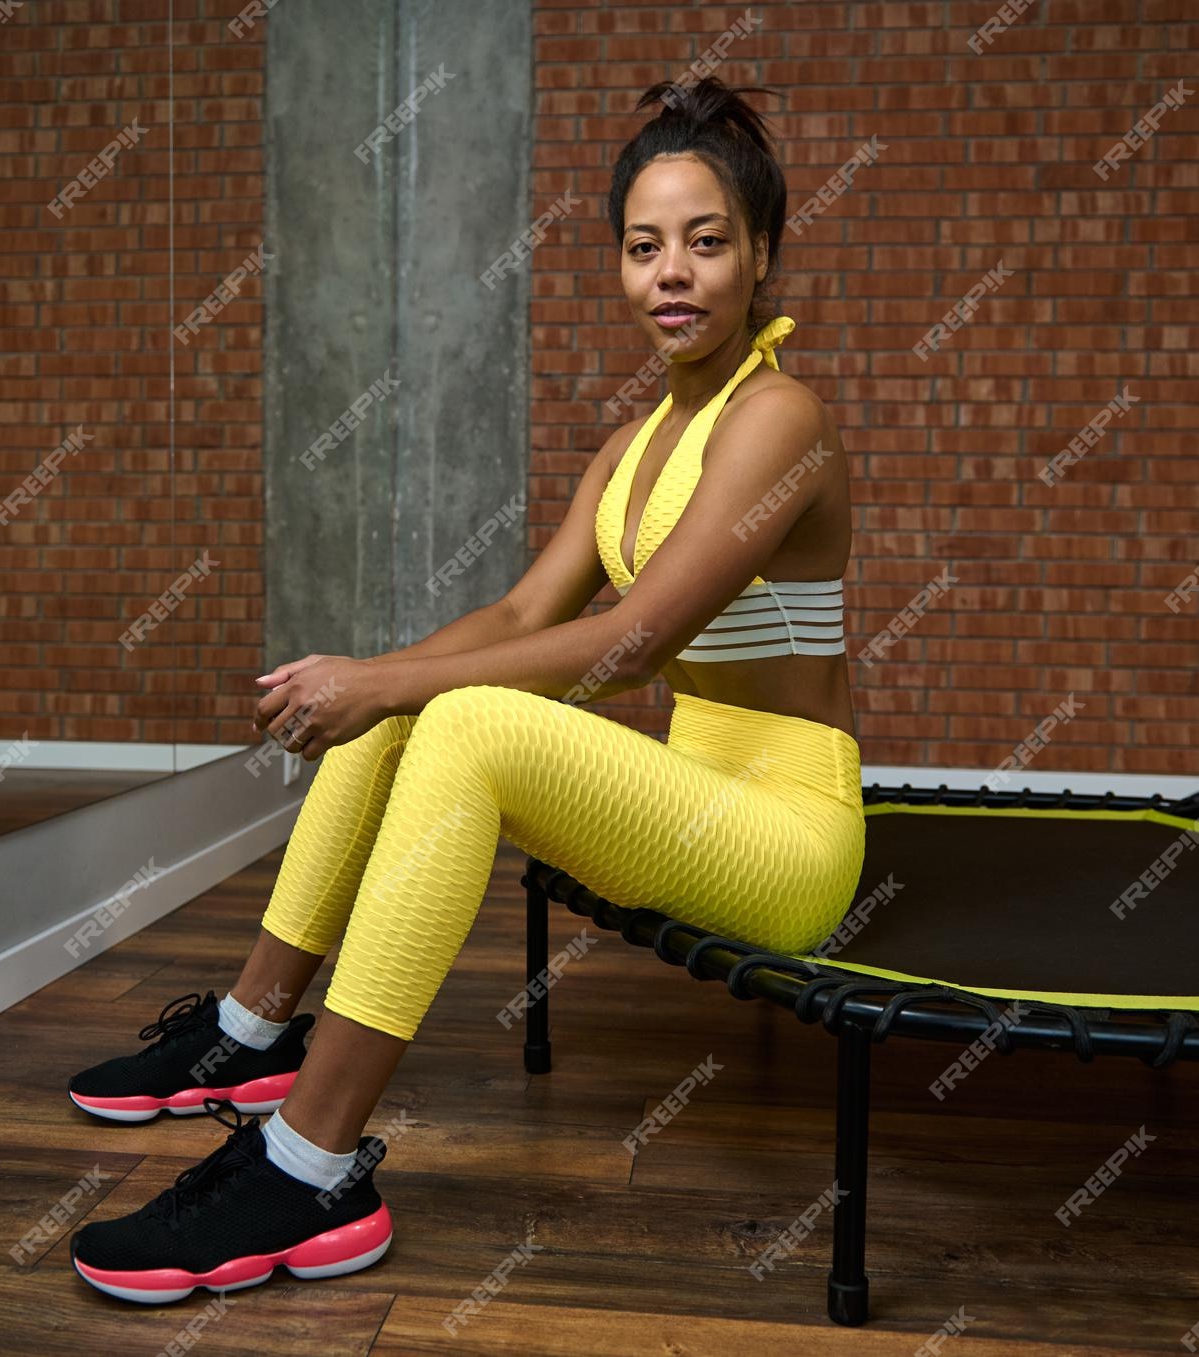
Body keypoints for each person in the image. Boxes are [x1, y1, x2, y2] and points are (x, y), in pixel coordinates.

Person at [64, 73, 864, 1305]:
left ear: (761, 253)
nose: (672, 274)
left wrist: (384, 684)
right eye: (643, 246)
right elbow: (516, 616)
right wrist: (365, 683)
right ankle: (252, 1032)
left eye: (706, 243)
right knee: (419, 700)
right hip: (688, 796)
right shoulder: (636, 440)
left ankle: (307, 1170)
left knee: (461, 717)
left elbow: (630, 644)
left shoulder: (781, 416)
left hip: (786, 833)